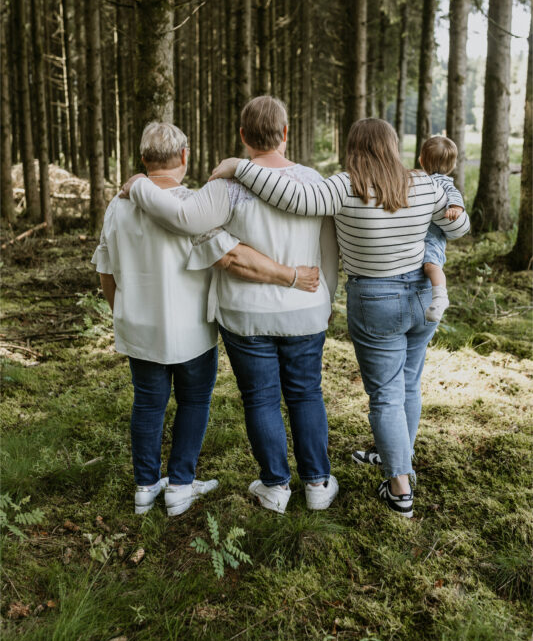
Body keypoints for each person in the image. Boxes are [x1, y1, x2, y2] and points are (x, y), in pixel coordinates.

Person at [210, 118, 470, 518]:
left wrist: (240, 167)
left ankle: (399, 487)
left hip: (377, 299)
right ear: (393, 144)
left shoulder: (343, 186)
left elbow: (292, 196)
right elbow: (458, 229)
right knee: (408, 383)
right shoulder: (423, 184)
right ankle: (399, 460)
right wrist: (455, 210)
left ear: (353, 147)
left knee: (385, 394)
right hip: (422, 295)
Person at [121, 97, 339, 514]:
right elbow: (329, 247)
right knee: (306, 393)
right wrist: (327, 293)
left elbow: (182, 218)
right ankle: (317, 483)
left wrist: (142, 186)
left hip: (245, 314)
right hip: (306, 307)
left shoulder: (226, 186)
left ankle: (275, 487)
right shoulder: (314, 183)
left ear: (242, 136)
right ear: (286, 133)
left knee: (260, 398)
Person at [419, 136, 465, 323]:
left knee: (431, 265)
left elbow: (454, 193)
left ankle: (440, 297)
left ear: (421, 160)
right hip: (422, 234)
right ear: (453, 165)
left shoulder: (441, 180)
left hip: (433, 236)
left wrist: (455, 208)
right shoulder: (425, 179)